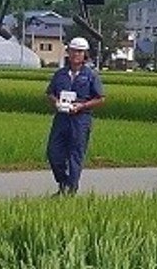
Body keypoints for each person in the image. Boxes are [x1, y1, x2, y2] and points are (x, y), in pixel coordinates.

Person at [46, 36, 105, 195]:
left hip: (81, 119)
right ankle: (63, 181)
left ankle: (70, 190)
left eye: (79, 51)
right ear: (68, 52)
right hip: (62, 118)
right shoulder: (60, 74)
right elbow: (50, 93)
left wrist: (82, 106)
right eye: (73, 51)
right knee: (53, 152)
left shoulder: (91, 75)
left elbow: (100, 98)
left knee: (75, 155)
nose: (75, 54)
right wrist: (56, 103)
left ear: (85, 54)